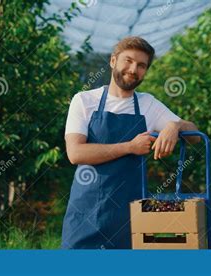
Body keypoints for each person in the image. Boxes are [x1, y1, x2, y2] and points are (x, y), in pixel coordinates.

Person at [61, 36, 199, 249]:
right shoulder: (84, 101)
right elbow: (76, 153)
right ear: (113, 61)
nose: (134, 69)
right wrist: (130, 147)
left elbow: (196, 136)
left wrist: (175, 126)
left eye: (141, 65)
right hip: (85, 212)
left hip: (129, 217)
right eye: (128, 60)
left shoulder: (147, 104)